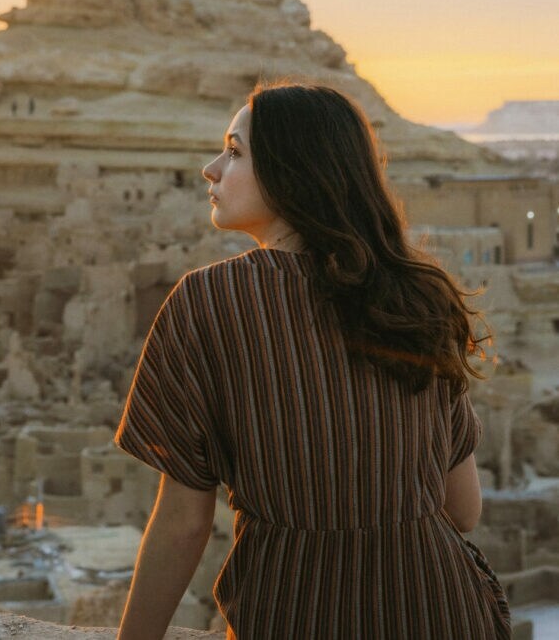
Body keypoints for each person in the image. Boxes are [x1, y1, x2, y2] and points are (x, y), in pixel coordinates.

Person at [115, 81, 511, 639]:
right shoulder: (416, 296)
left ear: (290, 171)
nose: (210, 168)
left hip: (295, 611)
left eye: (233, 151)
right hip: (441, 614)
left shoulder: (209, 301)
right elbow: (462, 510)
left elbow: (183, 523)